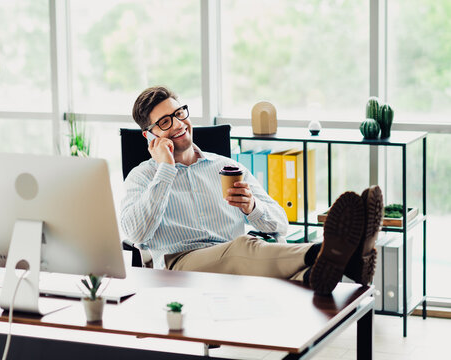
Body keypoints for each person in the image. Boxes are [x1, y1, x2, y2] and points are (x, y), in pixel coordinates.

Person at [120, 86, 383, 295]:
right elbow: (136, 234)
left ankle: (330, 267)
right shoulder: (142, 177)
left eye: (179, 114)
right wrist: (165, 170)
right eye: (165, 122)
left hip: (239, 260)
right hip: (177, 266)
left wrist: (252, 208)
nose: (178, 124)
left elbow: (280, 224)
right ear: (149, 136)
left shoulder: (227, 167)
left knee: (294, 277)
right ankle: (331, 251)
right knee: (243, 247)